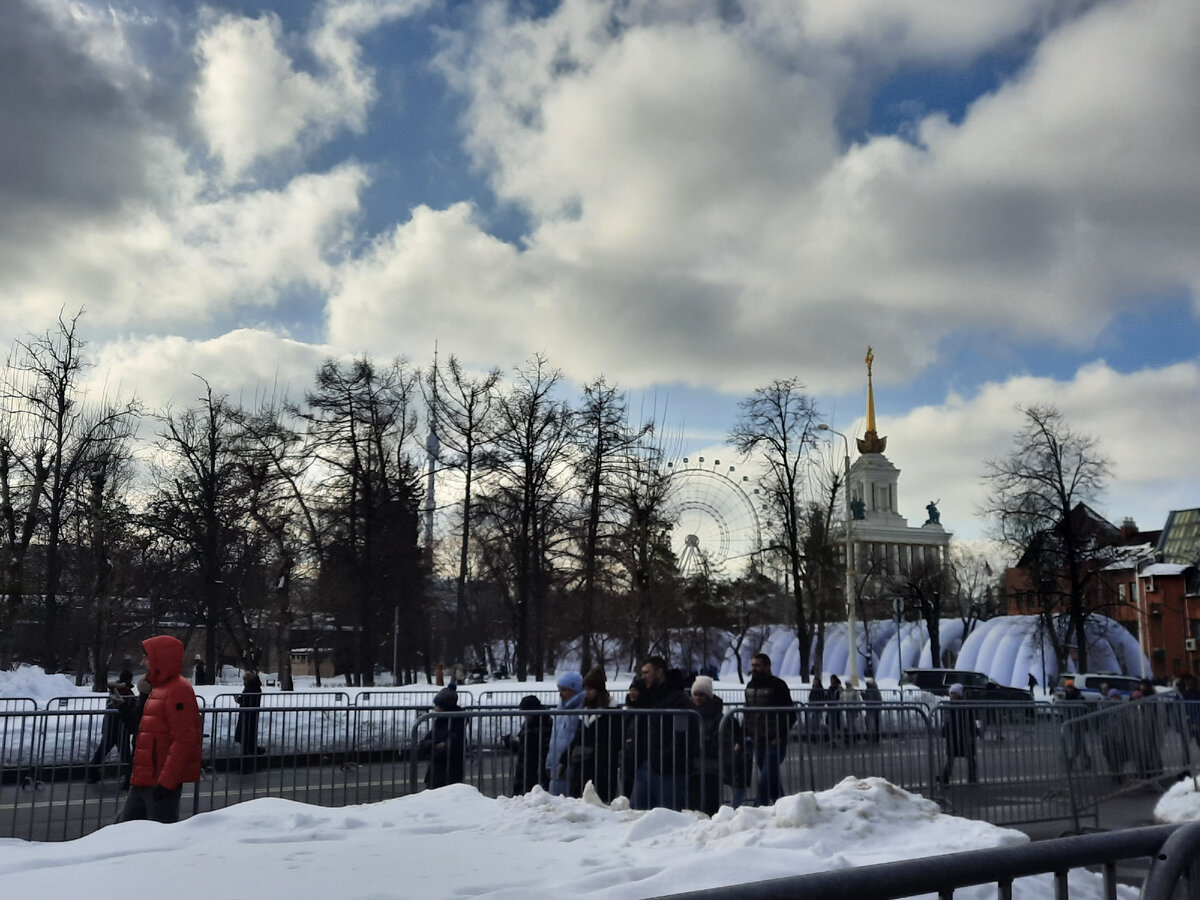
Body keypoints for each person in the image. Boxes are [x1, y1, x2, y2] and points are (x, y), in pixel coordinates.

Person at [119, 635, 203, 824]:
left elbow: (183, 740)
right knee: (124, 834)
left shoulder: (177, 690)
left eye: (146, 658)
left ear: (160, 659)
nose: (142, 663)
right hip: (143, 780)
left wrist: (166, 782)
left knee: (156, 841)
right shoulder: (159, 688)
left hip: (158, 783)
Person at [630, 656, 693, 811]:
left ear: (659, 672)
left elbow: (684, 735)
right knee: (636, 813)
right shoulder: (650, 696)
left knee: (669, 817)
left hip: (669, 769)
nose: (643, 676)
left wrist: (665, 757)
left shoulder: (678, 699)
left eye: (647, 672)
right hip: (647, 764)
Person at [744, 653, 795, 805]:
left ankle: (757, 811)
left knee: (763, 782)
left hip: (775, 741)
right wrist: (745, 734)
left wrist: (779, 734)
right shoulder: (750, 686)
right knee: (772, 782)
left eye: (757, 665)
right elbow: (748, 713)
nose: (754, 668)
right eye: (753, 665)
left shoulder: (778, 685)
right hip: (757, 741)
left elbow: (790, 713)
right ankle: (784, 807)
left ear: (767, 666)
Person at [569, 667, 622, 801]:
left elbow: (615, 738)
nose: (586, 693)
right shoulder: (586, 709)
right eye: (585, 689)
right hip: (583, 763)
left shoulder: (612, 711)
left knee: (601, 800)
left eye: (590, 689)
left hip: (603, 764)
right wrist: (567, 757)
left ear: (598, 689)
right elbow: (578, 737)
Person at [86, 669, 137, 784]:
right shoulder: (127, 693)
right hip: (121, 727)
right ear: (129, 679)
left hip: (110, 725)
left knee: (102, 750)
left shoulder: (114, 690)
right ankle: (129, 777)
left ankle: (92, 773)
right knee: (125, 754)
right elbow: (129, 710)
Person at [688, 675, 725, 815]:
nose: (697, 698)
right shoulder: (690, 713)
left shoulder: (716, 716)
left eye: (701, 695)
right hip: (694, 766)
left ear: (708, 696)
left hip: (711, 767)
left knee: (710, 802)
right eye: (695, 695)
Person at [418, 684, 466, 788]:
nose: (434, 709)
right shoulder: (440, 721)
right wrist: (436, 745)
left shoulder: (456, 723)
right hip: (436, 774)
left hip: (447, 776)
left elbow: (449, 748)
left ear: (445, 707)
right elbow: (423, 743)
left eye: (437, 706)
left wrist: (432, 746)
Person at [546, 672, 584, 796]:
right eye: (559, 690)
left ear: (575, 690)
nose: (560, 694)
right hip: (557, 761)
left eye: (564, 690)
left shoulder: (580, 709)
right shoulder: (561, 709)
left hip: (570, 762)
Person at [509, 695, 551, 794]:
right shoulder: (529, 724)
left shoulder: (543, 725)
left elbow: (536, 748)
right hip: (525, 768)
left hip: (534, 770)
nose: (524, 716)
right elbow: (523, 747)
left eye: (526, 713)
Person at [939, 684, 977, 785]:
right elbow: (946, 721)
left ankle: (972, 779)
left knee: (970, 759)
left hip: (965, 736)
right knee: (951, 759)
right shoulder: (948, 706)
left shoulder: (966, 706)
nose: (952, 696)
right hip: (953, 736)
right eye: (951, 693)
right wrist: (945, 731)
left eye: (955, 693)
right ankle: (945, 778)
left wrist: (973, 733)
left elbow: (971, 720)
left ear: (959, 694)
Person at [233, 669, 265, 768]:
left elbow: (247, 700)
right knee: (248, 735)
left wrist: (238, 699)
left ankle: (248, 757)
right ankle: (253, 751)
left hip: (248, 714)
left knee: (246, 735)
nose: (244, 682)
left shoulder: (251, 687)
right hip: (250, 714)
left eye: (245, 680)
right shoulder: (254, 686)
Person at [1059, 679, 1092, 770]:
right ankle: (1087, 760)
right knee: (1081, 744)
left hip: (1079, 723)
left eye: (1071, 687)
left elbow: (1082, 707)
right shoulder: (1068, 695)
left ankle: (1071, 762)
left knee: (1078, 744)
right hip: (1072, 723)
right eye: (1068, 687)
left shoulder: (1078, 696)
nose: (1069, 689)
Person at [863, 677, 883, 743]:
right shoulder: (867, 690)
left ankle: (876, 738)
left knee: (875, 725)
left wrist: (877, 707)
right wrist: (863, 695)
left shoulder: (875, 690)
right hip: (869, 709)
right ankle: (870, 737)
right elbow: (866, 699)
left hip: (875, 710)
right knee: (869, 724)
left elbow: (879, 700)